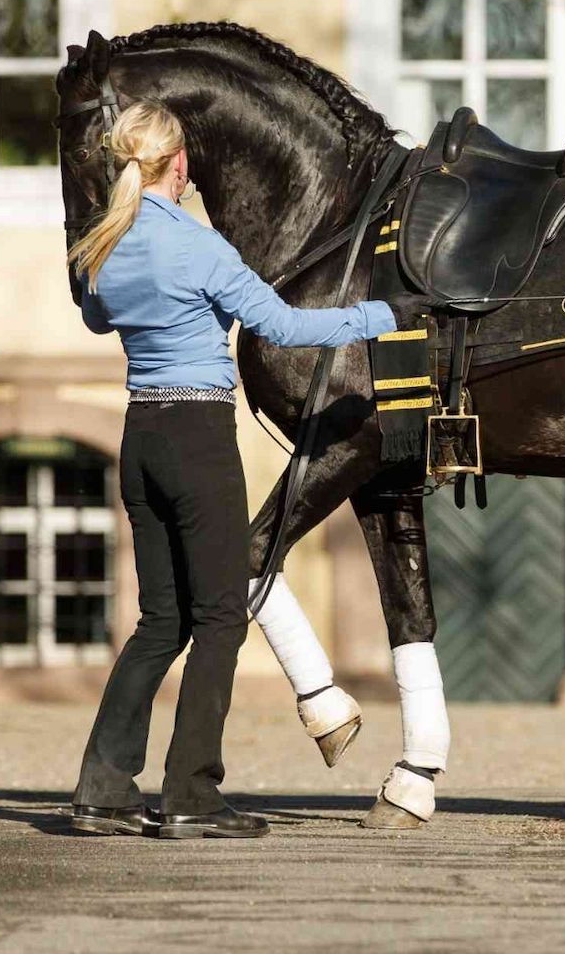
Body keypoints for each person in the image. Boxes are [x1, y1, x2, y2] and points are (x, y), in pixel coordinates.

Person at [65, 99, 395, 839]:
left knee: (160, 621)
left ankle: (103, 787)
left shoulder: (102, 245)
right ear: (179, 164)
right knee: (219, 618)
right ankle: (191, 792)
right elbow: (283, 326)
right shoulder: (201, 246)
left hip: (140, 435)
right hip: (198, 437)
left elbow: (94, 315)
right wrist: (377, 317)